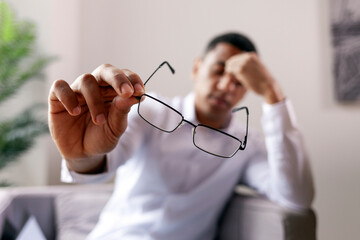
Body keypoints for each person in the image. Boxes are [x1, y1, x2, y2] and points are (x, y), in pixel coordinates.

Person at [48, 32, 314, 240]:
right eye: (218, 71)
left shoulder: (246, 146)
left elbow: (296, 197)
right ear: (197, 68)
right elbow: (100, 163)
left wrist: (271, 91)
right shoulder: (148, 112)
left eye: (239, 81)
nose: (225, 87)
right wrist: (80, 154)